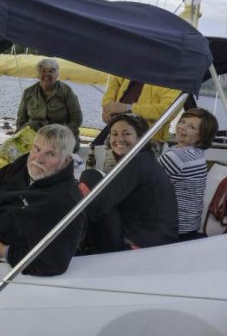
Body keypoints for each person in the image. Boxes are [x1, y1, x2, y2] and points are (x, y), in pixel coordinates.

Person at [0, 124, 85, 276]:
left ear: (66, 161)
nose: (39, 159)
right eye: (36, 149)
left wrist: (3, 251)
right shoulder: (22, 165)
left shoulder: (66, 202)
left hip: (1, 267)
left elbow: (54, 263)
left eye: (50, 154)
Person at [83, 114, 178, 253]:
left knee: (90, 177)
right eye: (114, 134)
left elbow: (100, 206)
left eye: (126, 134)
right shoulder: (144, 158)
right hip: (161, 236)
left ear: (140, 138)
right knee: (94, 180)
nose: (119, 139)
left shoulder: (136, 163)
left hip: (145, 243)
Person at [158, 108, 218, 241]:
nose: (182, 128)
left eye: (191, 127)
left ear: (202, 135)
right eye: (182, 122)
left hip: (172, 228)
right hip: (190, 225)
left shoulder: (176, 157)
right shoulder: (198, 154)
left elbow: (144, 186)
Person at [16, 58, 83, 152]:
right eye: (43, 71)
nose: (47, 74)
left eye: (51, 71)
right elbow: (20, 121)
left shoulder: (66, 91)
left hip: (60, 138)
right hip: (35, 138)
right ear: (38, 75)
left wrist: (61, 135)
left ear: (57, 75)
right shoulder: (28, 92)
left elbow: (77, 119)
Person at [101, 75, 180, 146]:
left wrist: (128, 108)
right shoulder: (132, 63)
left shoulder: (171, 75)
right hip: (116, 136)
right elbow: (115, 82)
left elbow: (170, 110)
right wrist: (108, 107)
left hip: (147, 141)